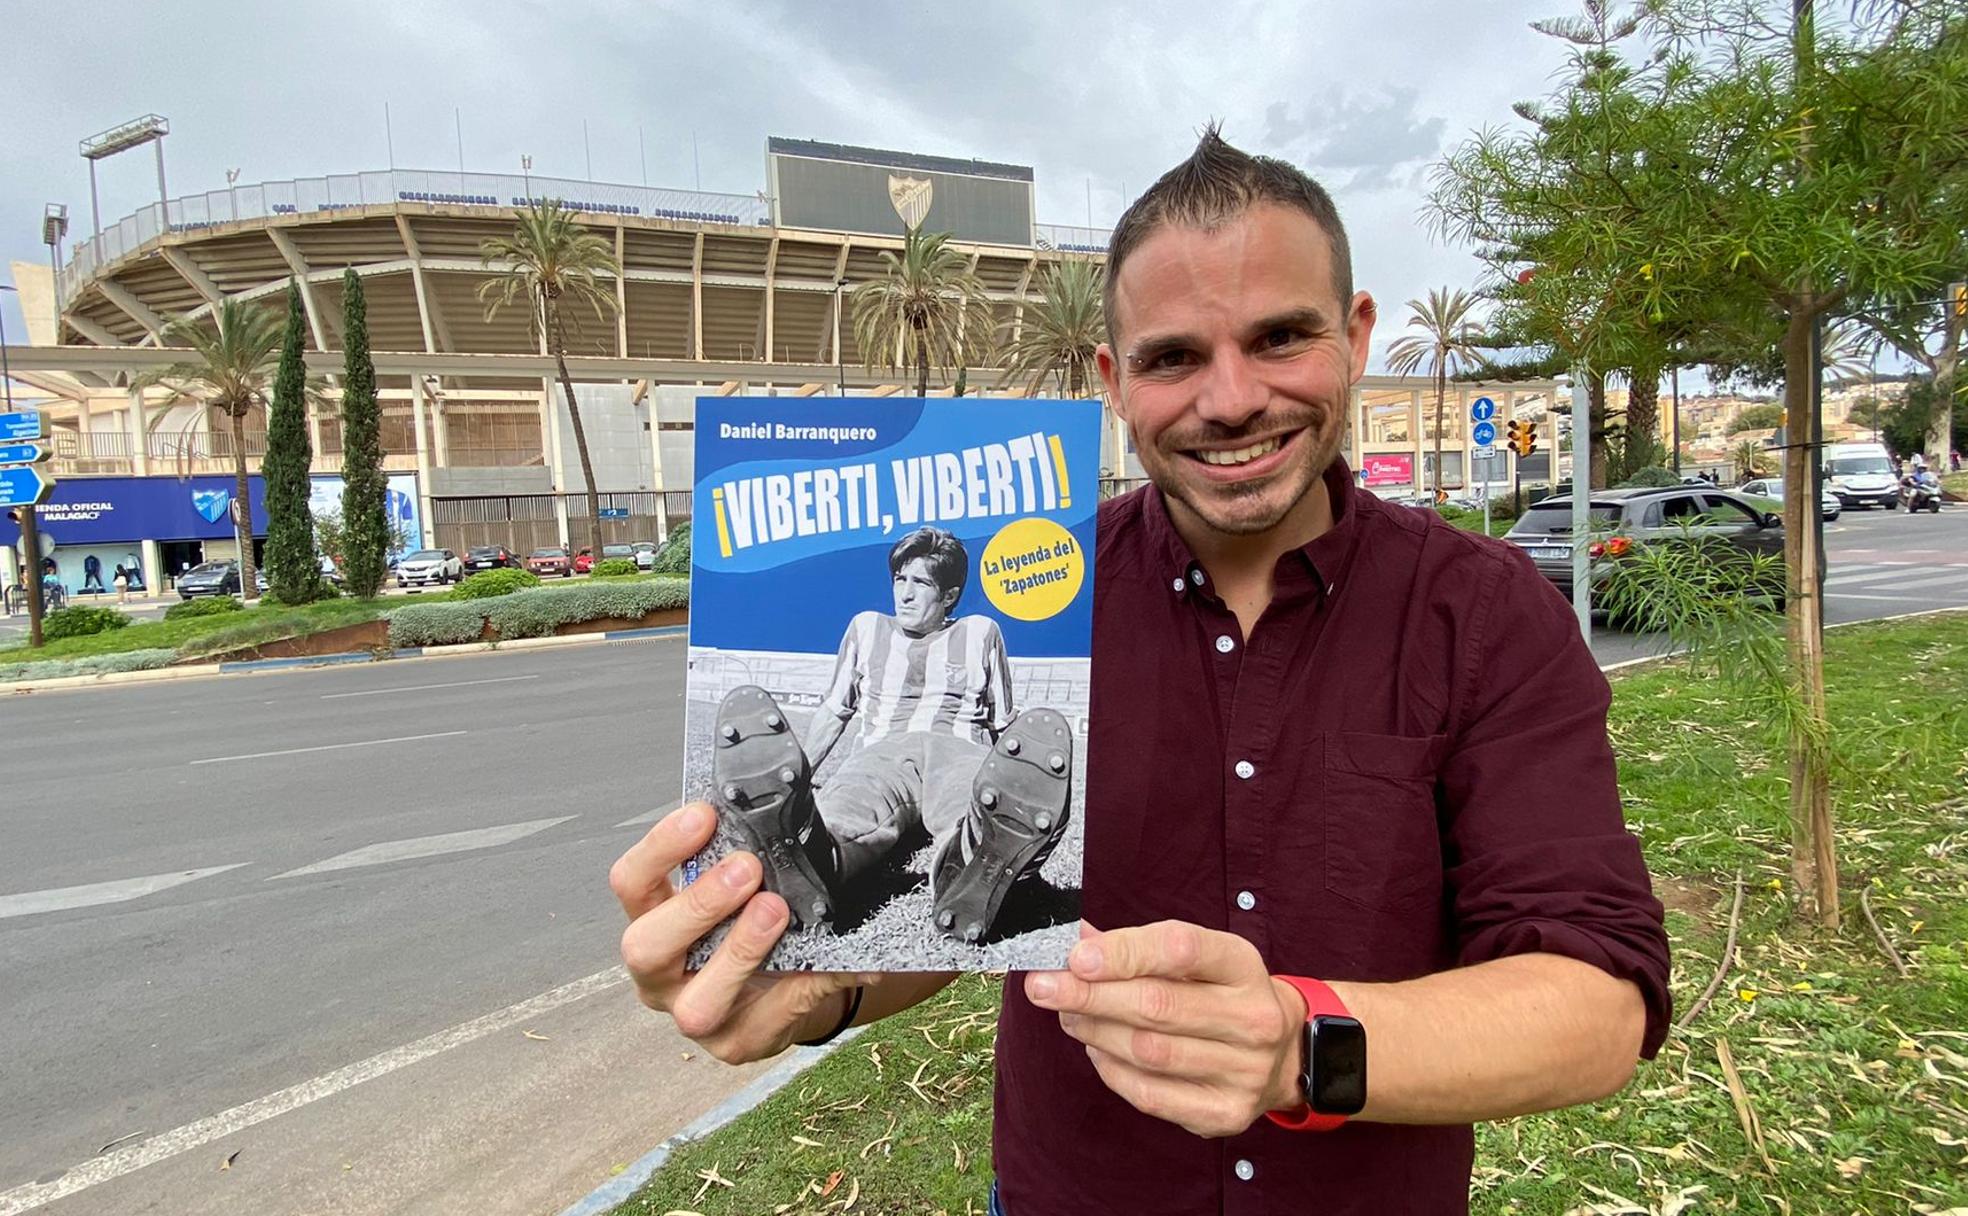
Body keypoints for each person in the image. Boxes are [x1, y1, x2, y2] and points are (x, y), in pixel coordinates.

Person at [611, 128, 1669, 1214]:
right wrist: (810, 999)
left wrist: (1304, 1047)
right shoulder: (1055, 595)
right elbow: (982, 946)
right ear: (1114, 381)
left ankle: (927, 840)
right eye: (1173, 358)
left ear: (1356, 338)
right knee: (942, 838)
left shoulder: (1484, 613)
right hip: (1066, 1190)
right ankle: (860, 855)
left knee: (951, 802)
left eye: (1280, 338)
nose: (1230, 399)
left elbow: (1597, 1005)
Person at [705, 525, 1069, 944]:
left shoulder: (980, 632)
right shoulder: (866, 628)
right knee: (849, 804)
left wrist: (1025, 778)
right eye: (900, 580)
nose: (905, 593)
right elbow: (834, 709)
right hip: (882, 751)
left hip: (956, 750)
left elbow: (1002, 724)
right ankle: (811, 855)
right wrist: (797, 776)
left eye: (921, 583)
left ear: (949, 596)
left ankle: (972, 868)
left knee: (967, 807)